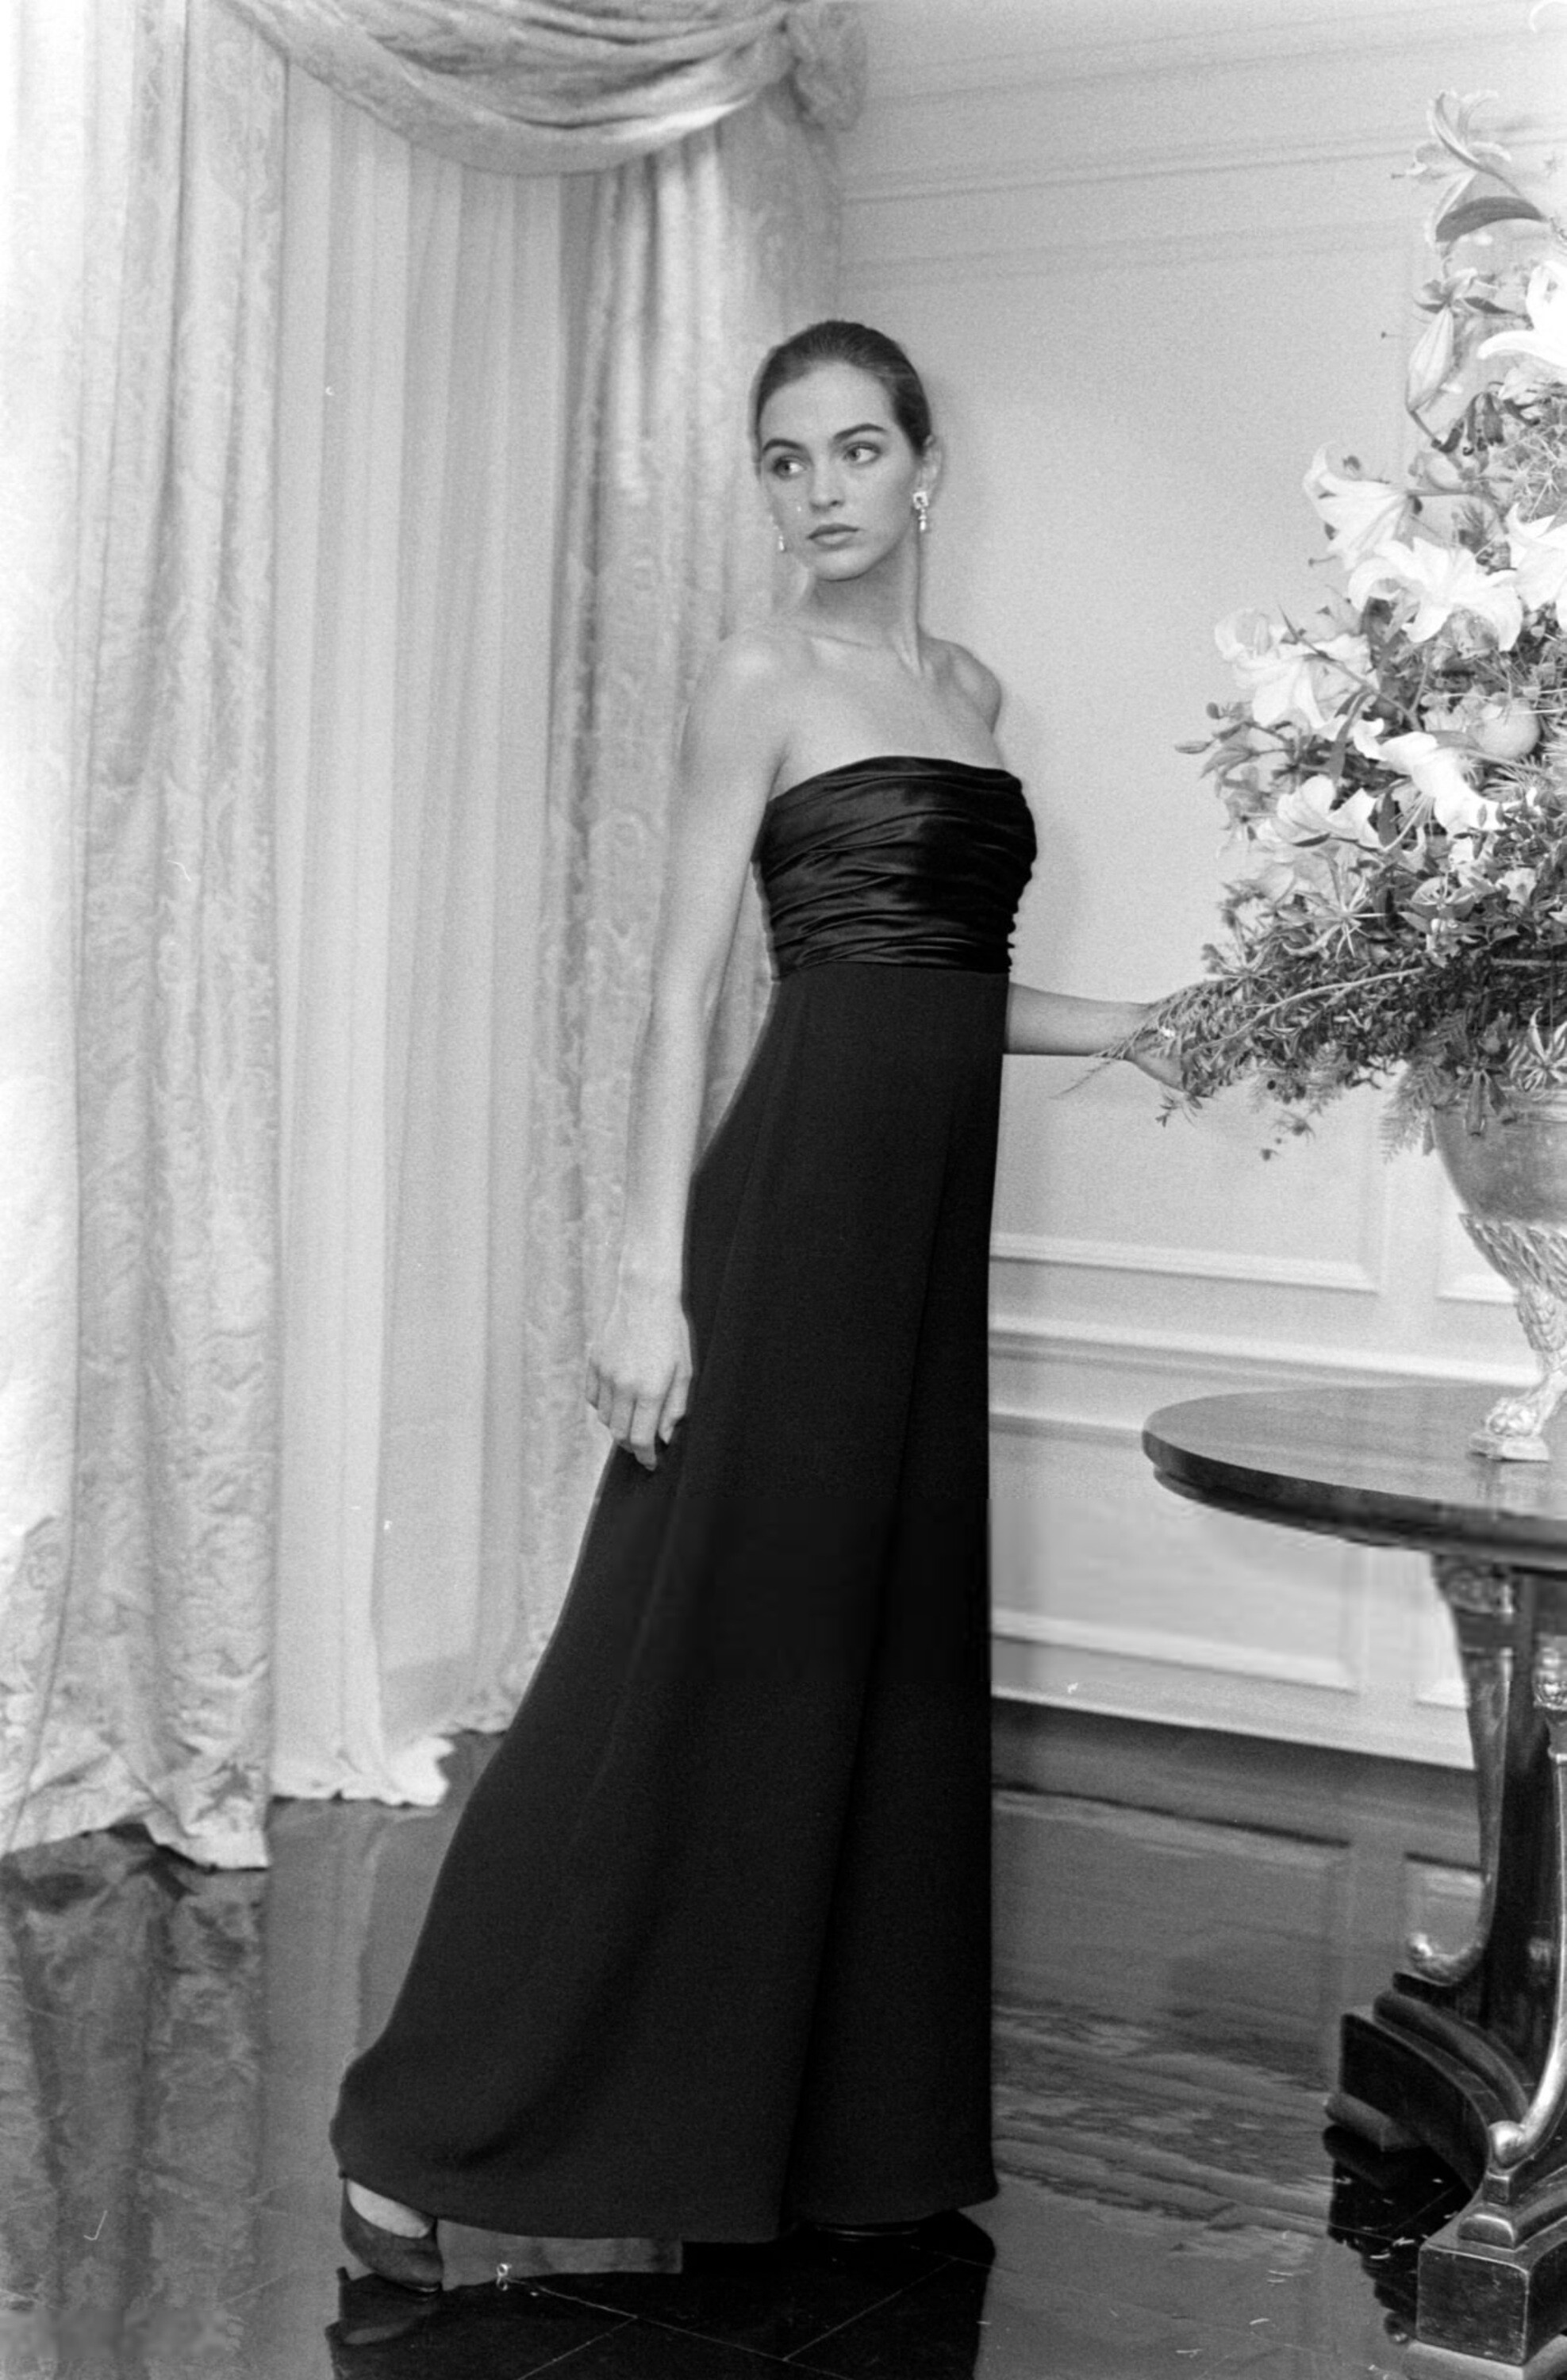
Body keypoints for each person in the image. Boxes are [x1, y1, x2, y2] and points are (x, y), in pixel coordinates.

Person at [332, 319, 1177, 2292]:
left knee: (866, 1676)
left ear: (925, 469)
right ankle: (413, 2131)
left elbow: (946, 987)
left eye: (855, 450)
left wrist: (1149, 1024)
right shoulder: (758, 677)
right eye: (785, 461)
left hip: (918, 1242)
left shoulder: (972, 695)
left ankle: (834, 2133)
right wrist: (649, 1279)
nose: (820, 492)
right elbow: (680, 989)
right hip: (781, 1232)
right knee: (652, 1677)